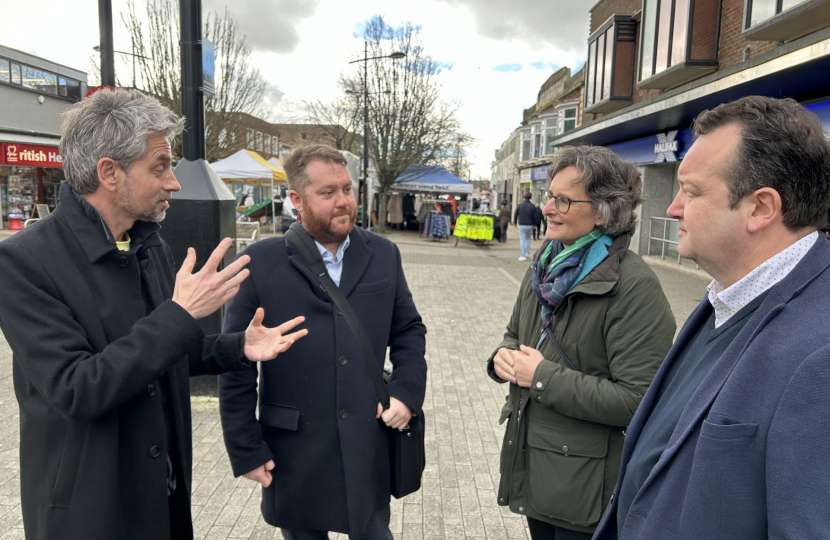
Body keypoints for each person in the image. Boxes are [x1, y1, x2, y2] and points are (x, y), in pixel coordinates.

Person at [0, 88, 308, 540]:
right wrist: (182, 314)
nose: (174, 182)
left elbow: (167, 350)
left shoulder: (147, 242)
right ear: (109, 172)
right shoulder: (24, 261)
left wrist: (237, 347)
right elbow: (77, 389)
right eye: (159, 167)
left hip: (162, 495)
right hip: (91, 511)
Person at [593, 96, 830, 540]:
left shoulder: (821, 352)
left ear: (761, 208)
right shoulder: (726, 296)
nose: (672, 209)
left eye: (693, 190)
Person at [219, 144, 428, 540]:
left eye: (347, 190)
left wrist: (405, 392)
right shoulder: (259, 263)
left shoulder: (383, 254)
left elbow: (408, 331)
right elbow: (236, 364)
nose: (344, 202)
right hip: (294, 452)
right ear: (296, 199)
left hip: (366, 442)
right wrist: (245, 448)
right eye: (328, 193)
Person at [488, 146, 675, 540]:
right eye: (548, 197)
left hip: (588, 490)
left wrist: (540, 376)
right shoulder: (546, 264)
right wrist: (501, 358)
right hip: (536, 467)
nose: (547, 209)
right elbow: (514, 333)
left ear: (605, 210)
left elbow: (639, 400)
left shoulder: (635, 287)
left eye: (563, 200)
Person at [514, 191, 536, 260]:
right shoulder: (532, 206)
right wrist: (535, 224)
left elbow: (515, 214)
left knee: (522, 240)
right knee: (528, 238)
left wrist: (515, 222)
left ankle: (523, 255)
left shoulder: (519, 205)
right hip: (530, 225)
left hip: (522, 224)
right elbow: (535, 216)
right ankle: (527, 252)